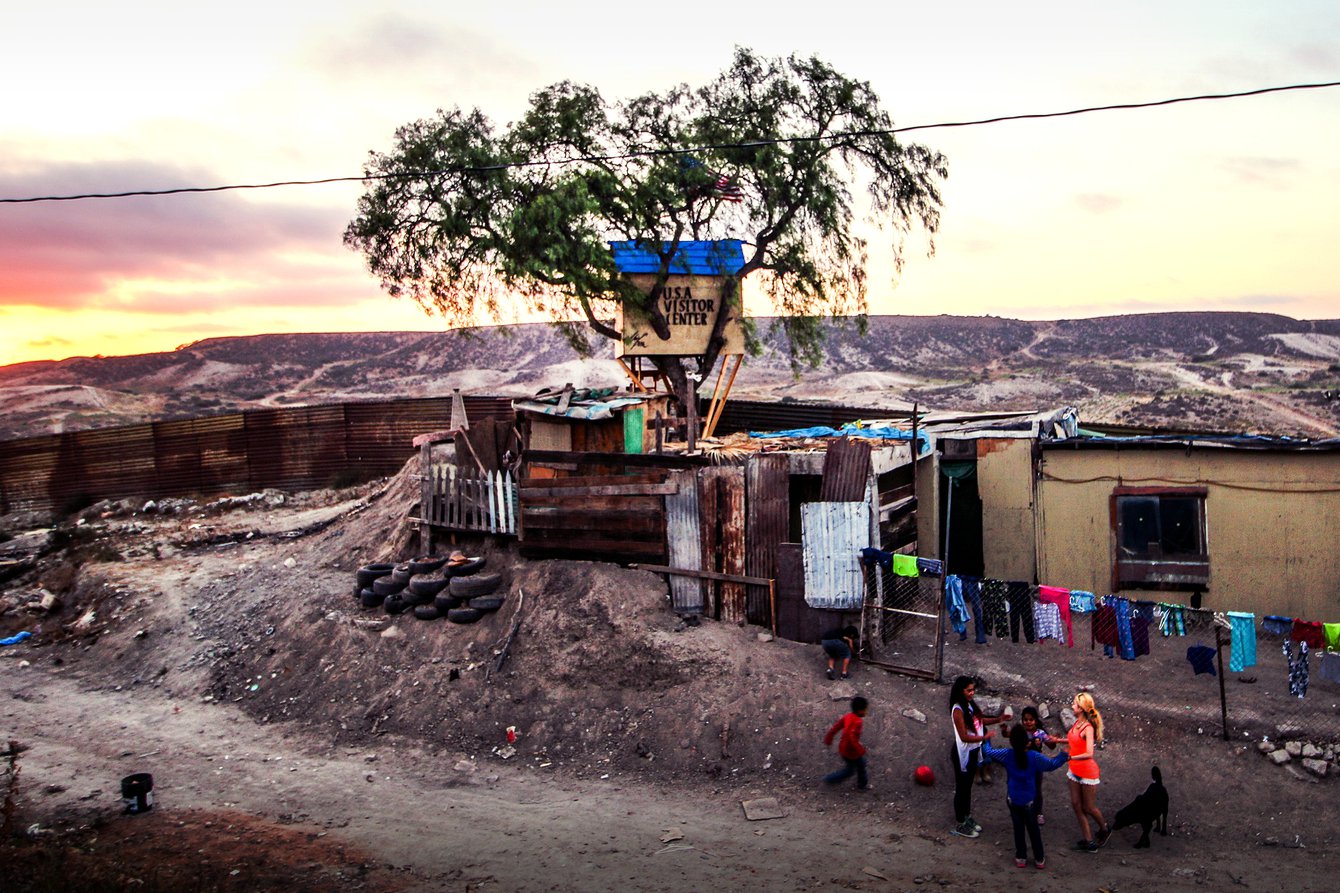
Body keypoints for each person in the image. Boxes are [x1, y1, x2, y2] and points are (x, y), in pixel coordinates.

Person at [982, 724, 1069, 869]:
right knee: (1033, 829)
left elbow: (988, 751)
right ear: (1027, 742)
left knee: (1018, 828)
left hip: (1013, 799)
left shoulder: (1007, 754)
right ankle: (1039, 859)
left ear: (1012, 742)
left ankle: (1021, 857)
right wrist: (1064, 755)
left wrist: (986, 739)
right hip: (1030, 801)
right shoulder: (1034, 757)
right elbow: (1052, 764)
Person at [948, 676, 1006, 838]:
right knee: (962, 787)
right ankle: (961, 822)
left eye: (973, 690)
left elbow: (980, 721)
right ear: (961, 691)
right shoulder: (958, 710)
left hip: (973, 751)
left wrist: (998, 719)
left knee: (967, 787)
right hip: (963, 753)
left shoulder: (969, 705)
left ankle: (966, 817)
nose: (972, 693)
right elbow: (964, 736)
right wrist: (983, 738)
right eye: (969, 690)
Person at [1066, 691, 1110, 852]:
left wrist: (1070, 756)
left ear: (1082, 708)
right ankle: (1088, 840)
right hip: (1074, 770)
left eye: (1075, 704)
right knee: (1077, 805)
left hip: (1086, 773)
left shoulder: (1088, 728)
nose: (1072, 705)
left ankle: (1104, 829)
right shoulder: (1077, 723)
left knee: (1089, 807)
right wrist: (1058, 740)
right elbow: (1074, 740)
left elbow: (1089, 753)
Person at [1017, 705, 1061, 825]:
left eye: (1031, 720)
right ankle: (1024, 811)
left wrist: (1054, 740)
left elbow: (1051, 746)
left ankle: (1038, 813)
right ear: (1022, 720)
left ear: (1035, 720)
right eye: (1025, 720)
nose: (1028, 722)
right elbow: (1012, 740)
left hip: (1036, 764)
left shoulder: (1040, 733)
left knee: (1036, 788)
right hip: (1022, 763)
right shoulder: (1020, 732)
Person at [823, 695, 870, 791]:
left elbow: (836, 727)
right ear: (860, 710)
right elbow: (851, 736)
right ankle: (830, 779)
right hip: (851, 752)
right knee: (852, 770)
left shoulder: (848, 716)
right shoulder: (858, 722)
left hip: (843, 748)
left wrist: (829, 738)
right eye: (865, 709)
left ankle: (861, 784)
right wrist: (861, 750)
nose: (866, 711)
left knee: (858, 766)